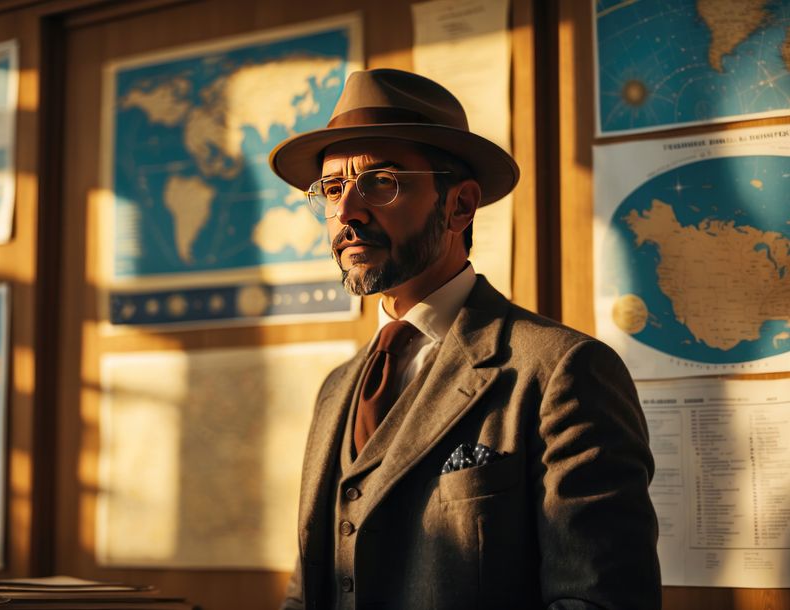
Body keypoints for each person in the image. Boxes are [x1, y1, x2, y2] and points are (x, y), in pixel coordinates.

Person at [267, 69, 660, 609]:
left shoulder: (562, 370)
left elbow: (600, 600)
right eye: (333, 188)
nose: (348, 212)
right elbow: (309, 588)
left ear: (460, 205)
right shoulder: (337, 388)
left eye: (380, 181)